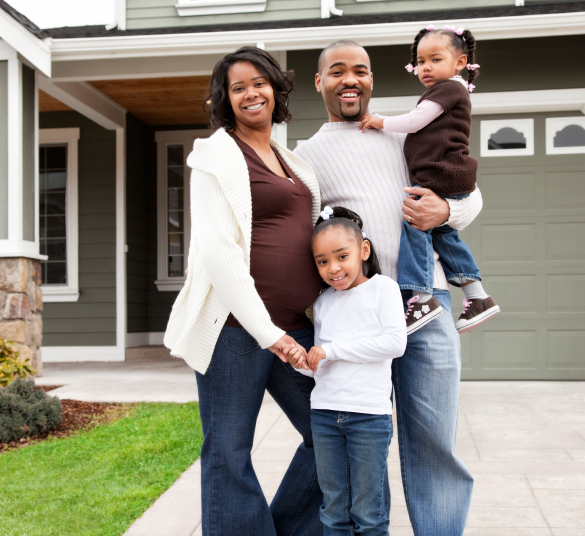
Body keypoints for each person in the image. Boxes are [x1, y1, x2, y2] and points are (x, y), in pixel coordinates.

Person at [294, 40, 476, 536]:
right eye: (337, 71)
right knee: (355, 438)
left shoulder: (407, 132)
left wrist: (448, 211)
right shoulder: (306, 156)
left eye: (361, 71)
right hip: (356, 316)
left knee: (433, 442)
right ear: (320, 82)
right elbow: (299, 236)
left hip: (424, 305)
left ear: (373, 79)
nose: (350, 80)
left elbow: (468, 191)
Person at [164, 46, 323, 536]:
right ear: (225, 100)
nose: (251, 93)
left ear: (276, 89)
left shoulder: (291, 159)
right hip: (235, 332)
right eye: (238, 88)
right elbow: (218, 250)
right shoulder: (216, 154)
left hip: (295, 326)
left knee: (333, 432)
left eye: (259, 83)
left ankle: (287, 527)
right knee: (228, 452)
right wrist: (268, 333)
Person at [358, 25, 500, 335]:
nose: (426, 67)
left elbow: (414, 121)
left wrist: (379, 121)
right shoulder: (447, 90)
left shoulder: (449, 88)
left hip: (442, 173)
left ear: (460, 62)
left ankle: (422, 298)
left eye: (435, 59)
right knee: (444, 235)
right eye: (421, 61)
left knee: (415, 224)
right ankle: (478, 296)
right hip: (447, 174)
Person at [291, 206, 406, 536]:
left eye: (342, 256)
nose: (333, 268)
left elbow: (394, 343)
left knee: (368, 513)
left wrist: (332, 350)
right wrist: (305, 363)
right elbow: (324, 364)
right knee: (333, 510)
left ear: (363, 250)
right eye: (322, 261)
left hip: (369, 417)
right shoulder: (324, 302)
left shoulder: (383, 289)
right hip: (325, 415)